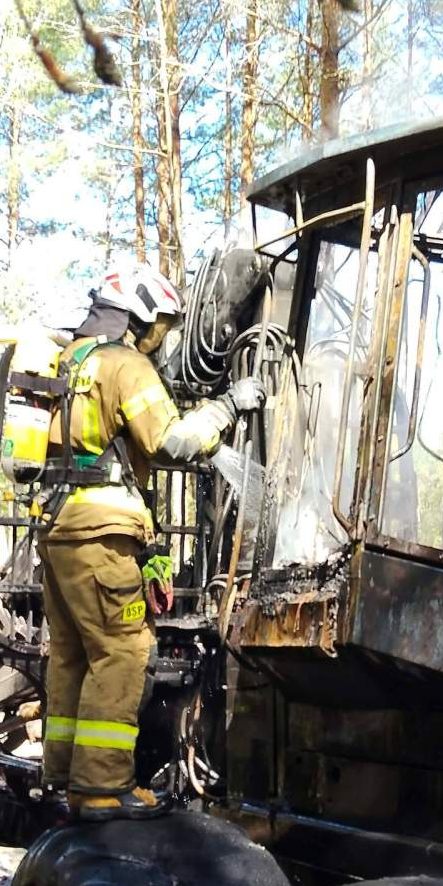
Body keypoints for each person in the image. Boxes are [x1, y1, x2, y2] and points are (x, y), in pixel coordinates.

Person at [37, 265, 264, 821]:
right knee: (123, 649)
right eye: (159, 325)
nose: (161, 338)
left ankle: (63, 776)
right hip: (102, 534)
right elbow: (170, 443)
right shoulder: (125, 364)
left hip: (60, 527)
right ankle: (100, 788)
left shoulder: (73, 361)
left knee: (72, 656)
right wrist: (229, 405)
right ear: (137, 318)